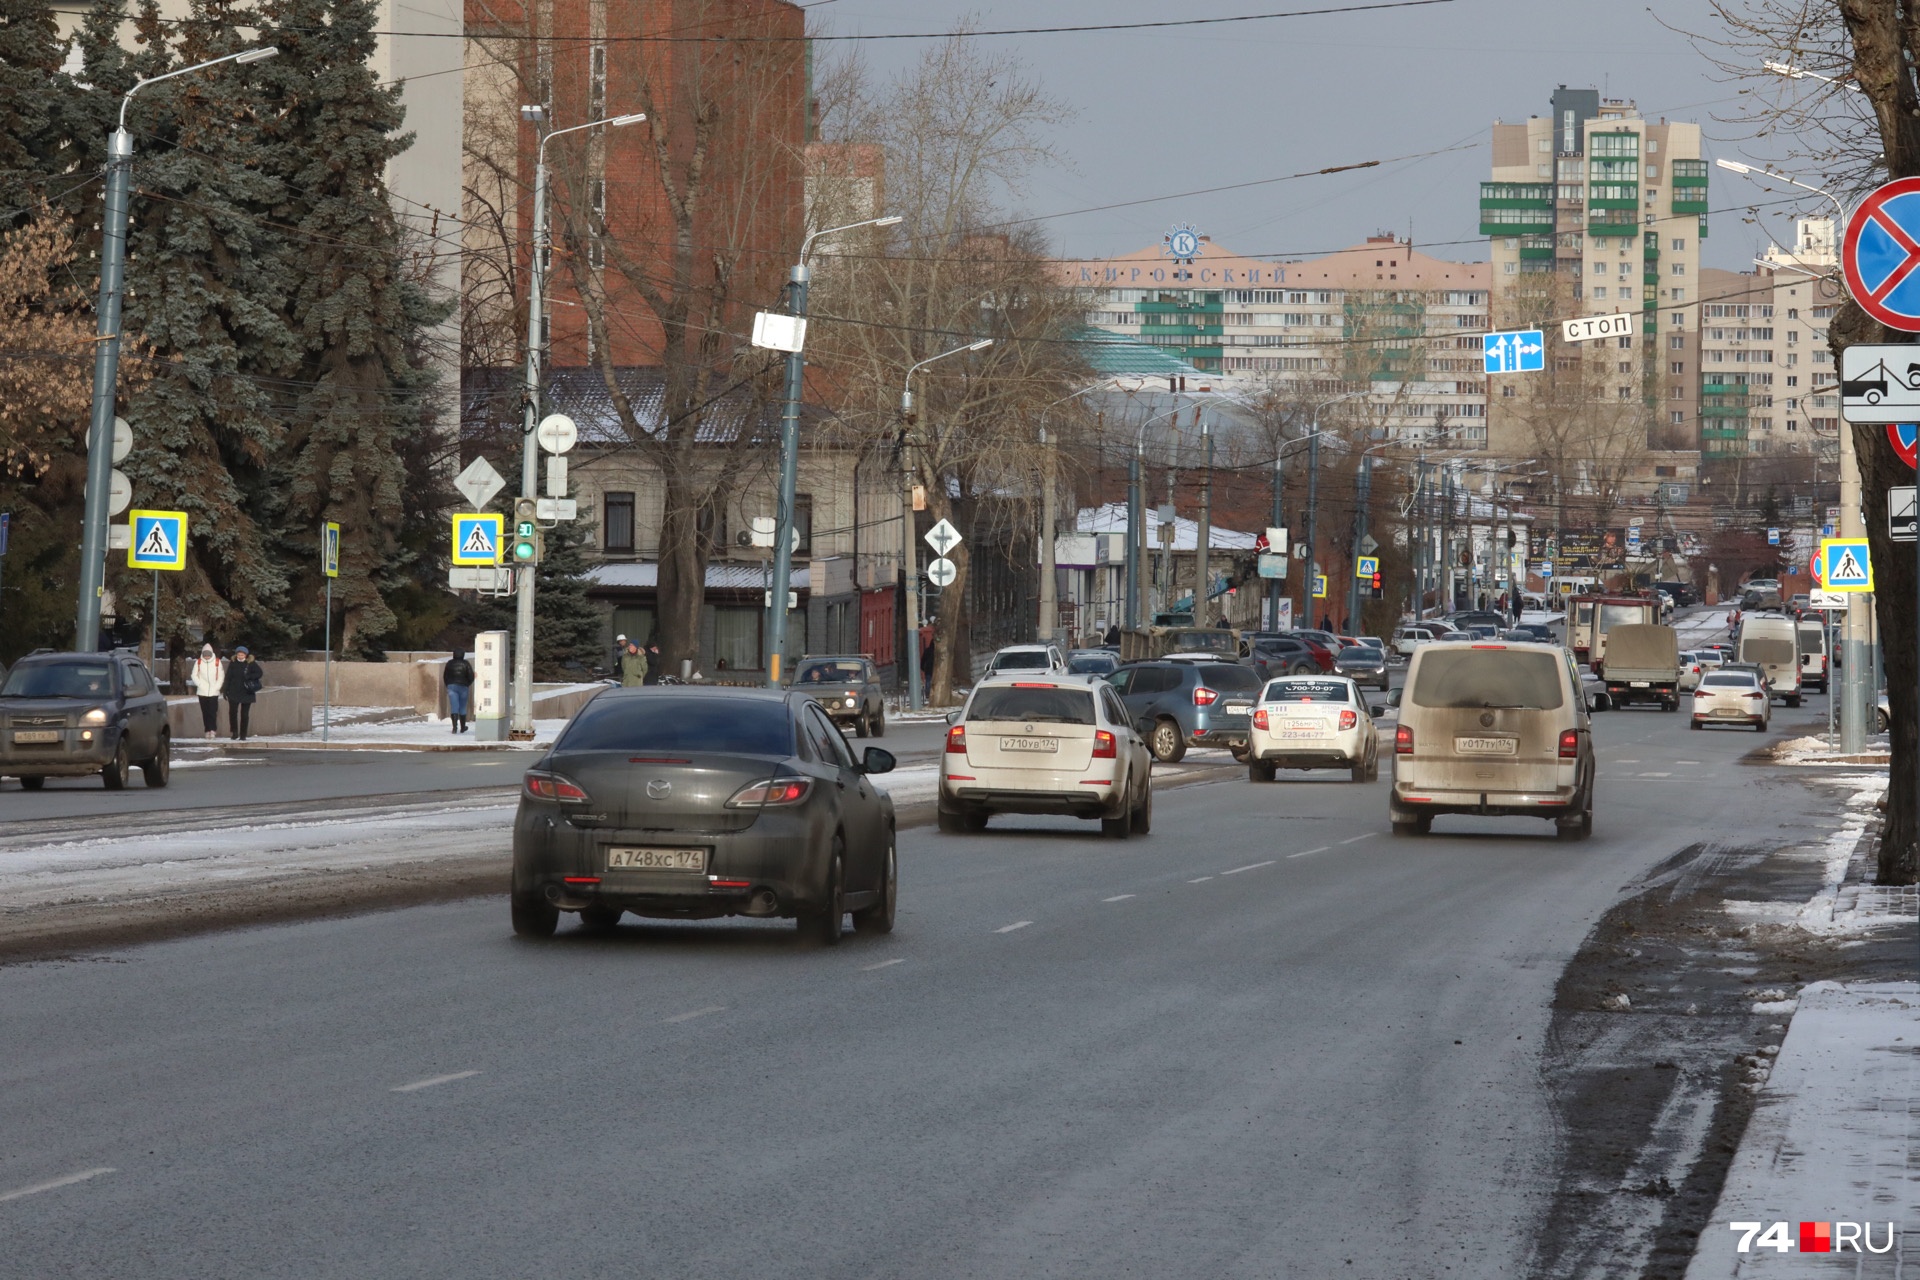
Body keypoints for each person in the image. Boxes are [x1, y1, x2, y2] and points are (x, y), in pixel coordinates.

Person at [222, 645, 262, 741]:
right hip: (234, 691)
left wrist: (249, 676)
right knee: (232, 713)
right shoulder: (233, 663)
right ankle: (234, 732)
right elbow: (228, 677)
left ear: (246, 655)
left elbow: (259, 673)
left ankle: (243, 734)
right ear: (236, 655)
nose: (240, 656)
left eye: (242, 655)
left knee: (244, 714)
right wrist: (225, 690)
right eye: (239, 654)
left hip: (246, 691)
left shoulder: (251, 663)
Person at [189, 643, 225, 740]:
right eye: (205, 654)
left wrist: (217, 687)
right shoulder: (199, 662)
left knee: (212, 712)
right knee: (205, 712)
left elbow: (221, 675)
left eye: (208, 654)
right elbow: (194, 675)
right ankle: (207, 730)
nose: (207, 656)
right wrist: (200, 685)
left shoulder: (217, 662)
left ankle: (213, 730)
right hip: (202, 692)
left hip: (214, 692)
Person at [443, 649, 475, 734]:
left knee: (454, 707)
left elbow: (445, 676)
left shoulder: (449, 663)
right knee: (462, 707)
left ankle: (454, 728)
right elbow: (471, 676)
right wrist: (467, 684)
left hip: (452, 686)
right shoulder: (466, 663)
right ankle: (463, 727)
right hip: (463, 686)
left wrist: (448, 685)